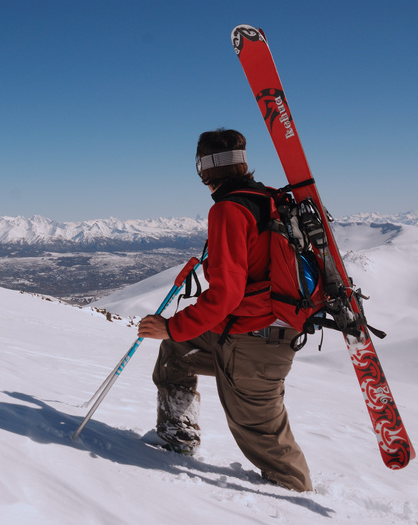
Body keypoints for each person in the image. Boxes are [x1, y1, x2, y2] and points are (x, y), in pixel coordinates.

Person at [137, 128, 313, 492]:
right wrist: (176, 335)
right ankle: (176, 439)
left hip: (255, 344)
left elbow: (225, 295)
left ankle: (300, 503)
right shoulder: (266, 199)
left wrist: (170, 326)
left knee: (264, 437)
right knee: (177, 353)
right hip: (254, 331)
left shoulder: (229, 210)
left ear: (203, 168)